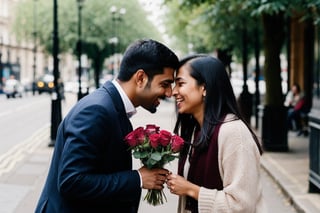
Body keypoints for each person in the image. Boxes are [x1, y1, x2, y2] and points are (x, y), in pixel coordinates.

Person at [35, 39, 179, 212]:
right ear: (140, 78)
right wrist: (138, 179)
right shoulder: (97, 110)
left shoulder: (112, 106)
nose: (170, 93)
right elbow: (71, 180)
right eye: (165, 84)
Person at [166, 54, 267, 213]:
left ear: (204, 87)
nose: (173, 92)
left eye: (181, 84)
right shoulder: (196, 131)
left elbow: (242, 205)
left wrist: (191, 190)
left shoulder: (234, 133)